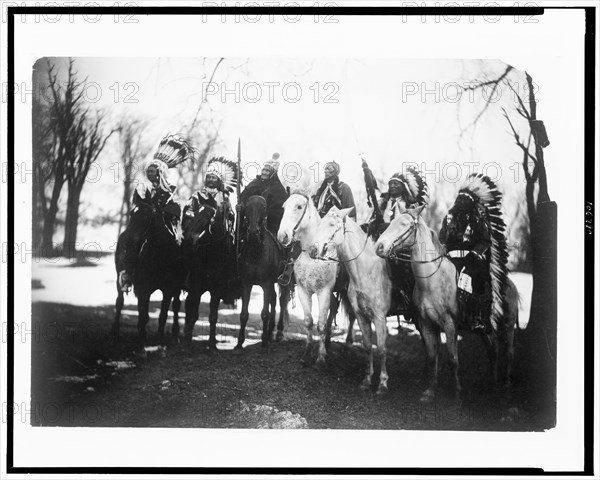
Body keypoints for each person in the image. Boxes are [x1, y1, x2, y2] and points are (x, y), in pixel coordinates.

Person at [439, 190, 492, 331]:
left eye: (466, 199)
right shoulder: (449, 217)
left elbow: (485, 240)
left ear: (472, 203)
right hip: (451, 258)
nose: (462, 202)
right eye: (460, 199)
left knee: (476, 279)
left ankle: (477, 317)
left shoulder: (478, 220)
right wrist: (443, 246)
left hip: (471, 258)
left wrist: (475, 252)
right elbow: (442, 236)